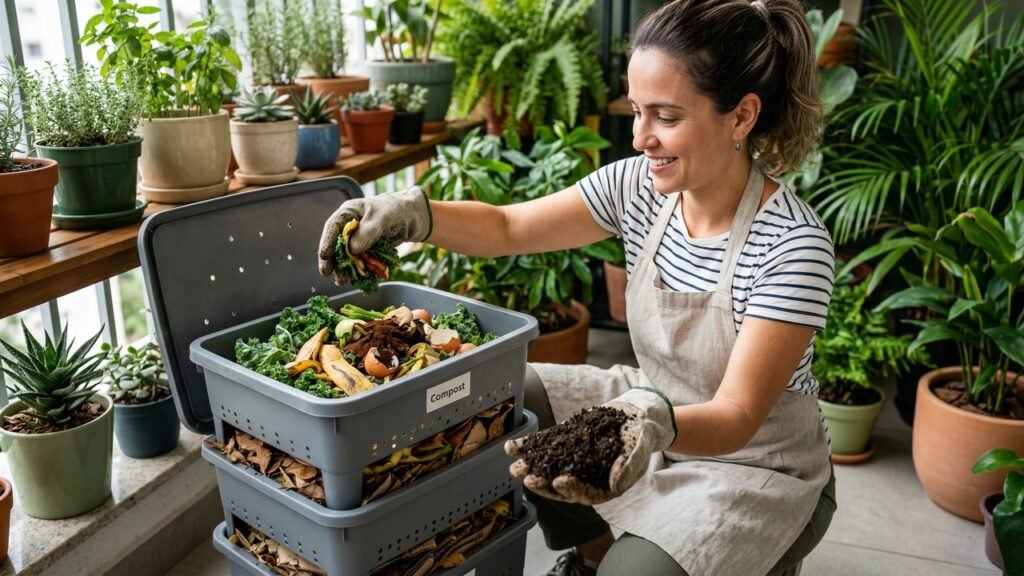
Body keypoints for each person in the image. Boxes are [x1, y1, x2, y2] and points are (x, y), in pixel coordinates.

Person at [317, 0, 837, 574]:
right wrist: (415, 214)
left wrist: (651, 421)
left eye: (666, 117)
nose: (641, 138)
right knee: (509, 390)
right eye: (637, 111)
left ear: (741, 117)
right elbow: (510, 226)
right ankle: (593, 555)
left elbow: (737, 415)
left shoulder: (792, 246)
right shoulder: (639, 187)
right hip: (652, 409)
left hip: (755, 464)